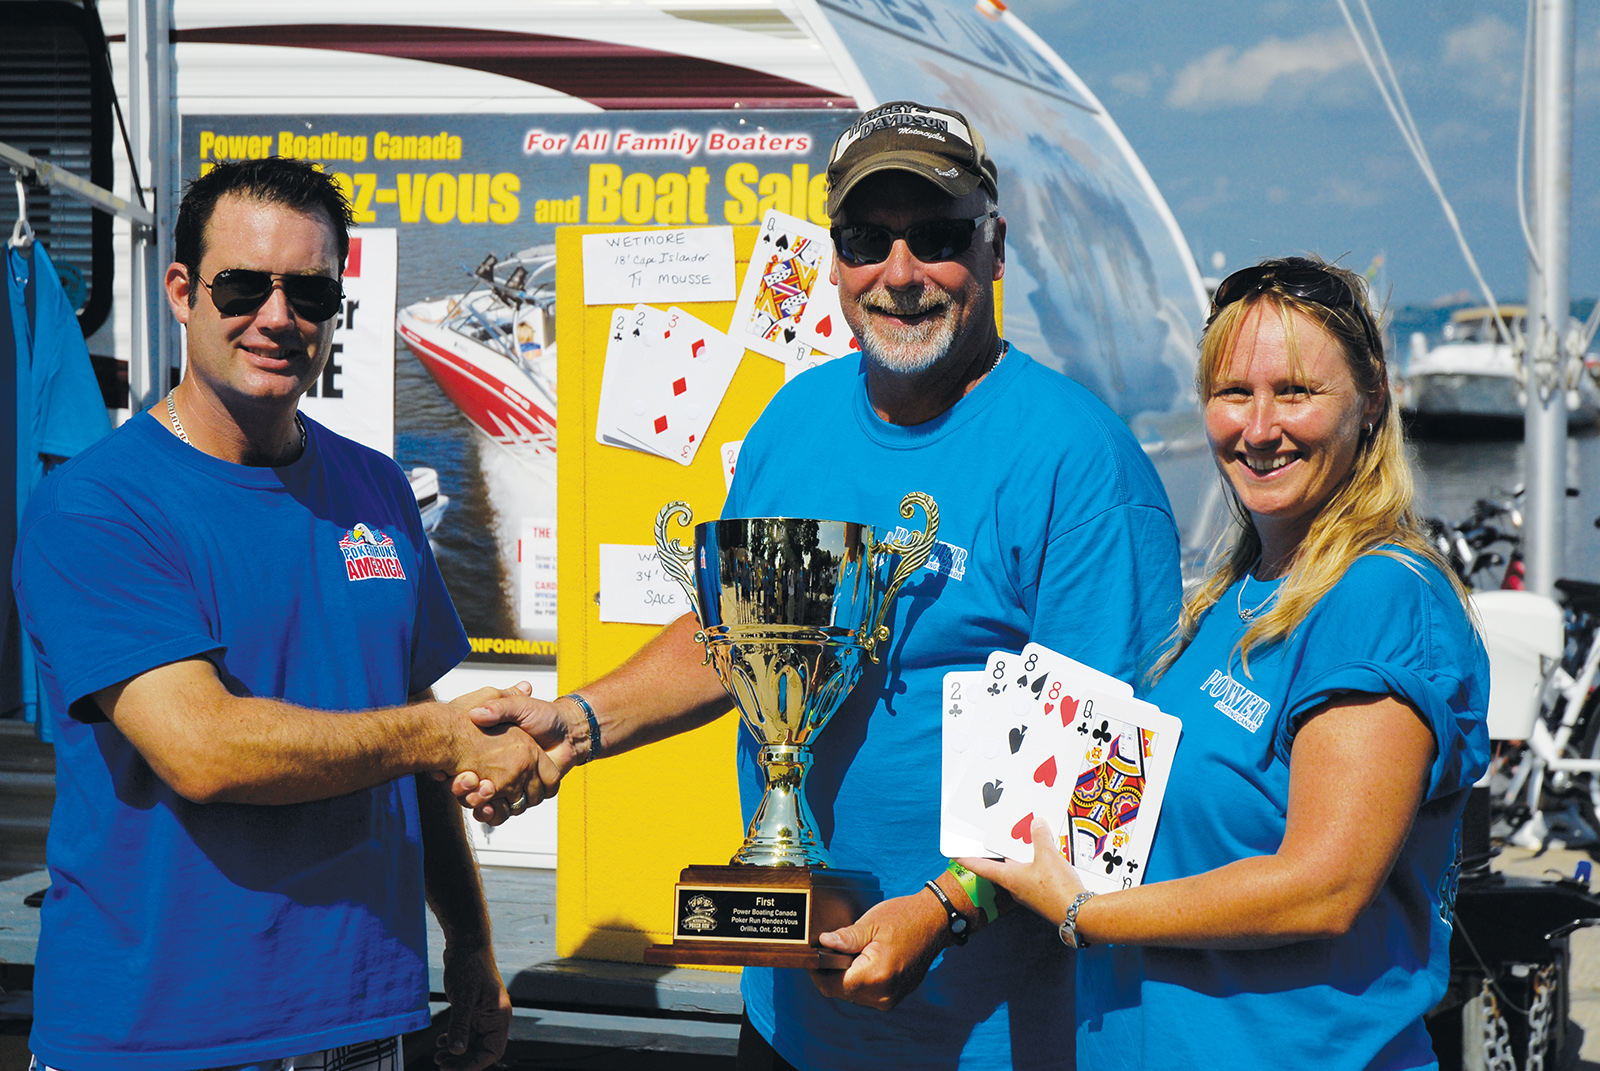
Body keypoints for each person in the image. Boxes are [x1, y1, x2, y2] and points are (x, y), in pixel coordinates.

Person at [461, 101, 1183, 1070]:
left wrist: (941, 909)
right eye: (864, 238)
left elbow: (1100, 778)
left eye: (935, 237)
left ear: (995, 247)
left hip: (995, 1038)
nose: (898, 273)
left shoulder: (1081, 465)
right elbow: (730, 636)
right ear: (832, 257)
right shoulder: (793, 419)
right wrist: (578, 725)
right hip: (789, 1020)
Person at [12, 157, 555, 1071]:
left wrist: (468, 941)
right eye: (242, 287)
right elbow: (205, 749)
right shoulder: (99, 506)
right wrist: (440, 735)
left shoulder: (378, 489)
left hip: (364, 1019)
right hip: (158, 1037)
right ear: (182, 292)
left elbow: (417, 737)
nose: (276, 317)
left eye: (308, 291)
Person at [962, 257, 1490, 1070]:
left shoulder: (1382, 597)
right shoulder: (1236, 593)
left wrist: (1085, 913)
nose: (1260, 426)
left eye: (1297, 392)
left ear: (1371, 397)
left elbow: (1323, 885)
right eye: (1234, 393)